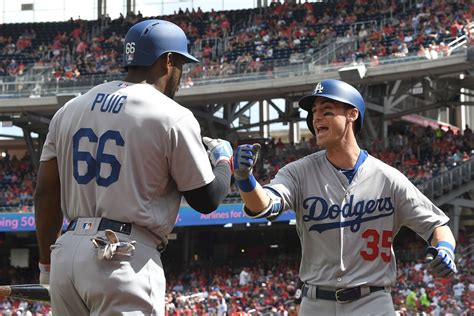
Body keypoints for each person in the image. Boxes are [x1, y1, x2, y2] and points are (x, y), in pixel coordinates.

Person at [34, 19, 233, 315]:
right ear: (167, 62)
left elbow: (46, 194)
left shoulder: (70, 109)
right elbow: (206, 199)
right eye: (180, 65)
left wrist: (47, 267)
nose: (180, 74)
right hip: (122, 257)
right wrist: (222, 161)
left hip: (68, 255)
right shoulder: (171, 115)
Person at [233, 79, 457, 315]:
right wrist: (245, 179)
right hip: (315, 302)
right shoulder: (298, 172)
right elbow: (265, 205)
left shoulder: (388, 178)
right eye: (314, 112)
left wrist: (444, 248)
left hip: (372, 302)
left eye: (326, 111)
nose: (316, 118)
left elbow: (436, 225)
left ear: (352, 115)